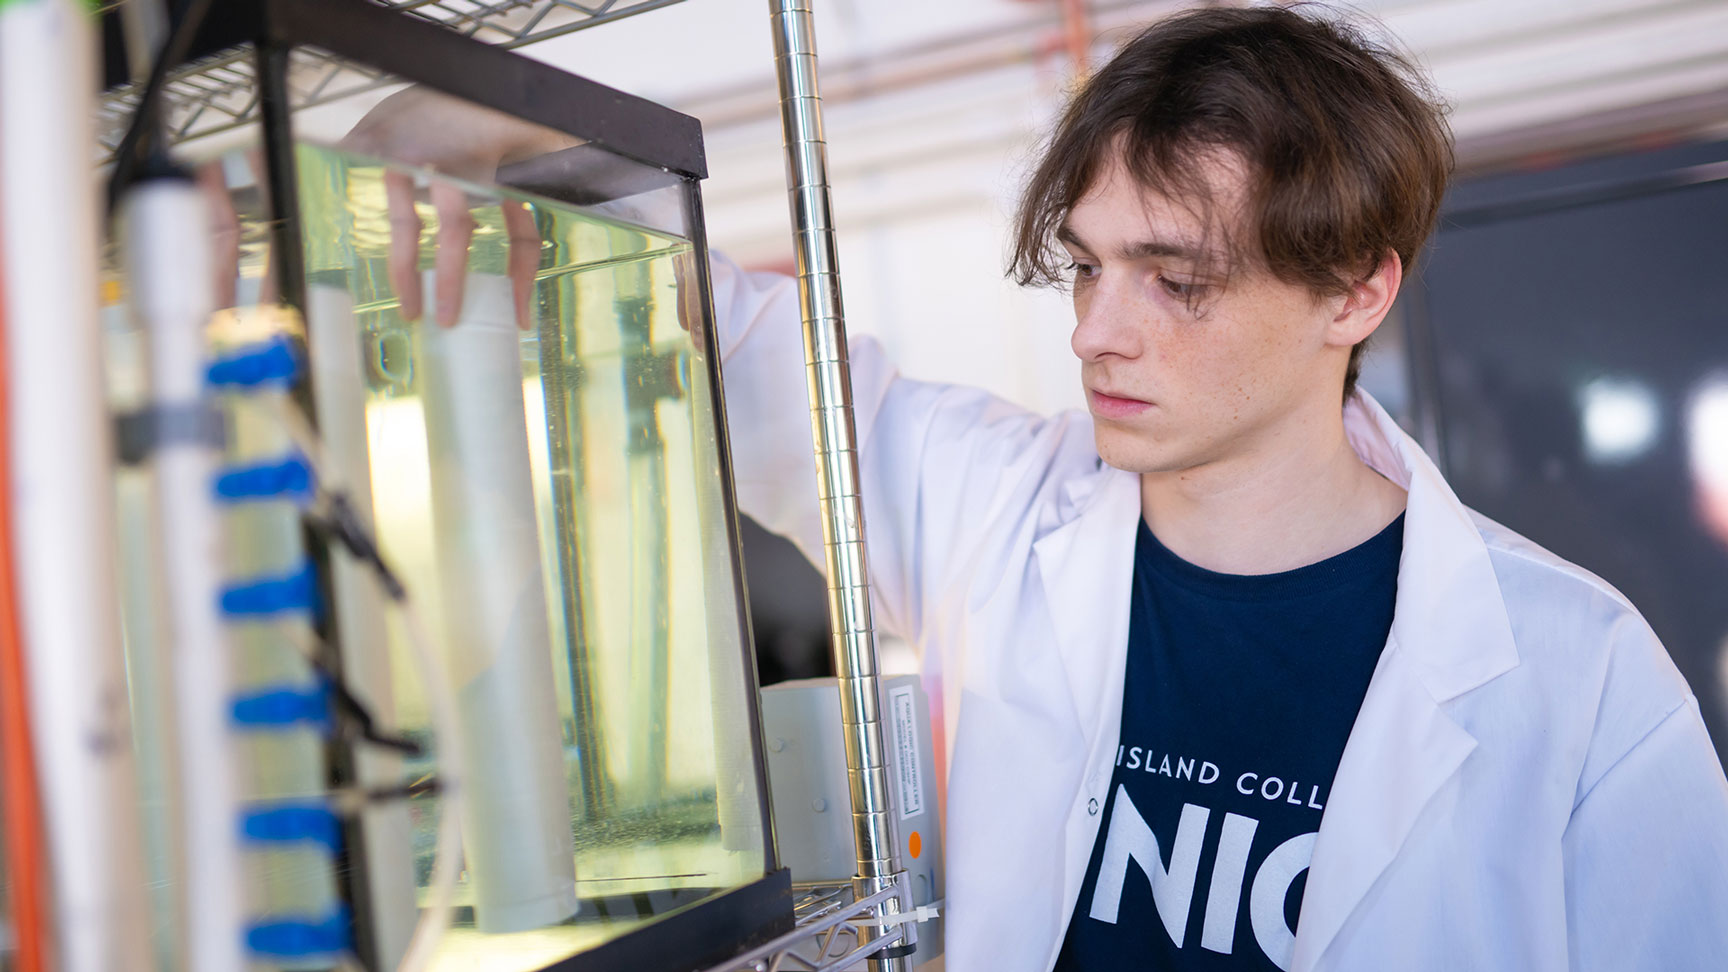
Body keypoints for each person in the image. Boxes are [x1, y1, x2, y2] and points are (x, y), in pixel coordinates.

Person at [348, 6, 1728, 970]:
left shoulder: (1581, 680)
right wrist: (438, 134)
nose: (1097, 330)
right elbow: (723, 336)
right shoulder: (997, 505)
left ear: (1357, 289)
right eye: (1086, 263)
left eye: (1176, 279)